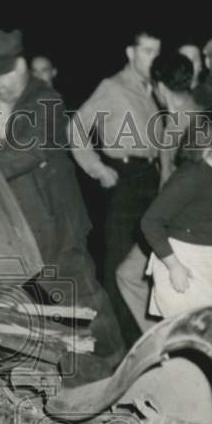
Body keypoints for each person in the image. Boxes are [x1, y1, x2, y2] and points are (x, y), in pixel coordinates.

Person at [0, 29, 125, 374]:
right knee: (13, 303)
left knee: (82, 299)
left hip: (56, 223)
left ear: (22, 66)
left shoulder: (46, 101)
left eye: (5, 75)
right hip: (10, 226)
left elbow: (23, 153)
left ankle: (115, 364)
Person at [69, 27, 162, 346]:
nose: (153, 59)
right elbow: (76, 127)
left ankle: (146, 337)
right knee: (121, 266)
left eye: (157, 52)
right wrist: (97, 168)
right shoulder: (112, 87)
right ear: (130, 53)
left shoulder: (154, 90)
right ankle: (126, 345)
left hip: (152, 179)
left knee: (145, 266)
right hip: (126, 180)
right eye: (148, 51)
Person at [114, 53, 206, 331]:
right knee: (133, 276)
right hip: (178, 220)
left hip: (179, 225)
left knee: (129, 276)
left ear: (160, 87)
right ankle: (165, 338)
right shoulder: (195, 113)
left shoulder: (181, 124)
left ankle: (165, 341)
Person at [141, 120, 212, 318]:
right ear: (207, 140)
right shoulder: (190, 176)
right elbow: (150, 221)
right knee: (187, 335)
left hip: (211, 263)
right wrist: (173, 266)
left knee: (198, 335)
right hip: (184, 263)